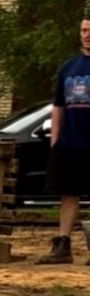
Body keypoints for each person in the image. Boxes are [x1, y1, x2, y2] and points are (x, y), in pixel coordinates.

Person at [39, 14, 90, 264]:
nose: (87, 35)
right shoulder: (68, 68)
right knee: (68, 195)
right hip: (69, 144)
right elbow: (58, 107)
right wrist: (55, 141)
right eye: (83, 30)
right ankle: (62, 246)